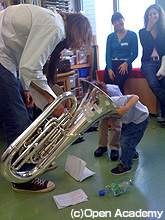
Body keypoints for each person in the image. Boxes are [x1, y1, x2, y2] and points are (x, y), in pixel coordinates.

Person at [0, 4, 92, 193]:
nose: (81, 45)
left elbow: (26, 62)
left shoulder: (54, 22)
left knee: (24, 111)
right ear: (76, 31)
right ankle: (22, 178)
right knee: (17, 118)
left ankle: (30, 160)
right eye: (82, 39)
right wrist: (53, 101)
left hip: (8, 59)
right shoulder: (55, 27)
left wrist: (25, 88)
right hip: (3, 57)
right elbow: (29, 67)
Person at [95, 82, 149, 175]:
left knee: (126, 141)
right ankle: (132, 154)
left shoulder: (116, 101)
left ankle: (126, 165)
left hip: (140, 120)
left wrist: (125, 108)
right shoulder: (104, 106)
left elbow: (135, 97)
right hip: (131, 120)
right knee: (127, 139)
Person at [139, 4, 165, 128]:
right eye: (150, 14)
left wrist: (162, 68)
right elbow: (147, 47)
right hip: (148, 63)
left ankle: (164, 116)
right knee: (153, 83)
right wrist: (148, 30)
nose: (152, 16)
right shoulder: (143, 32)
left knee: (164, 85)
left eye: (155, 13)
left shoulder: (163, 31)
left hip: (162, 62)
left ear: (159, 15)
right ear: (147, 17)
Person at [104, 12, 138, 94]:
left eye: (119, 20)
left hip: (124, 64)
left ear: (123, 20)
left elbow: (135, 53)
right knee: (106, 87)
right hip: (112, 64)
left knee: (118, 85)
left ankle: (121, 105)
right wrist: (109, 68)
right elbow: (108, 54)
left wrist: (126, 63)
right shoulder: (110, 37)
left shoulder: (132, 35)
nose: (118, 23)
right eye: (115, 22)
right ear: (113, 24)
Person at [94, 84, 122, 161]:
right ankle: (102, 146)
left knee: (116, 126)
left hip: (115, 106)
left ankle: (114, 148)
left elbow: (120, 101)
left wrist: (112, 113)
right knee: (101, 125)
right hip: (103, 107)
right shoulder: (94, 92)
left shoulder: (114, 90)